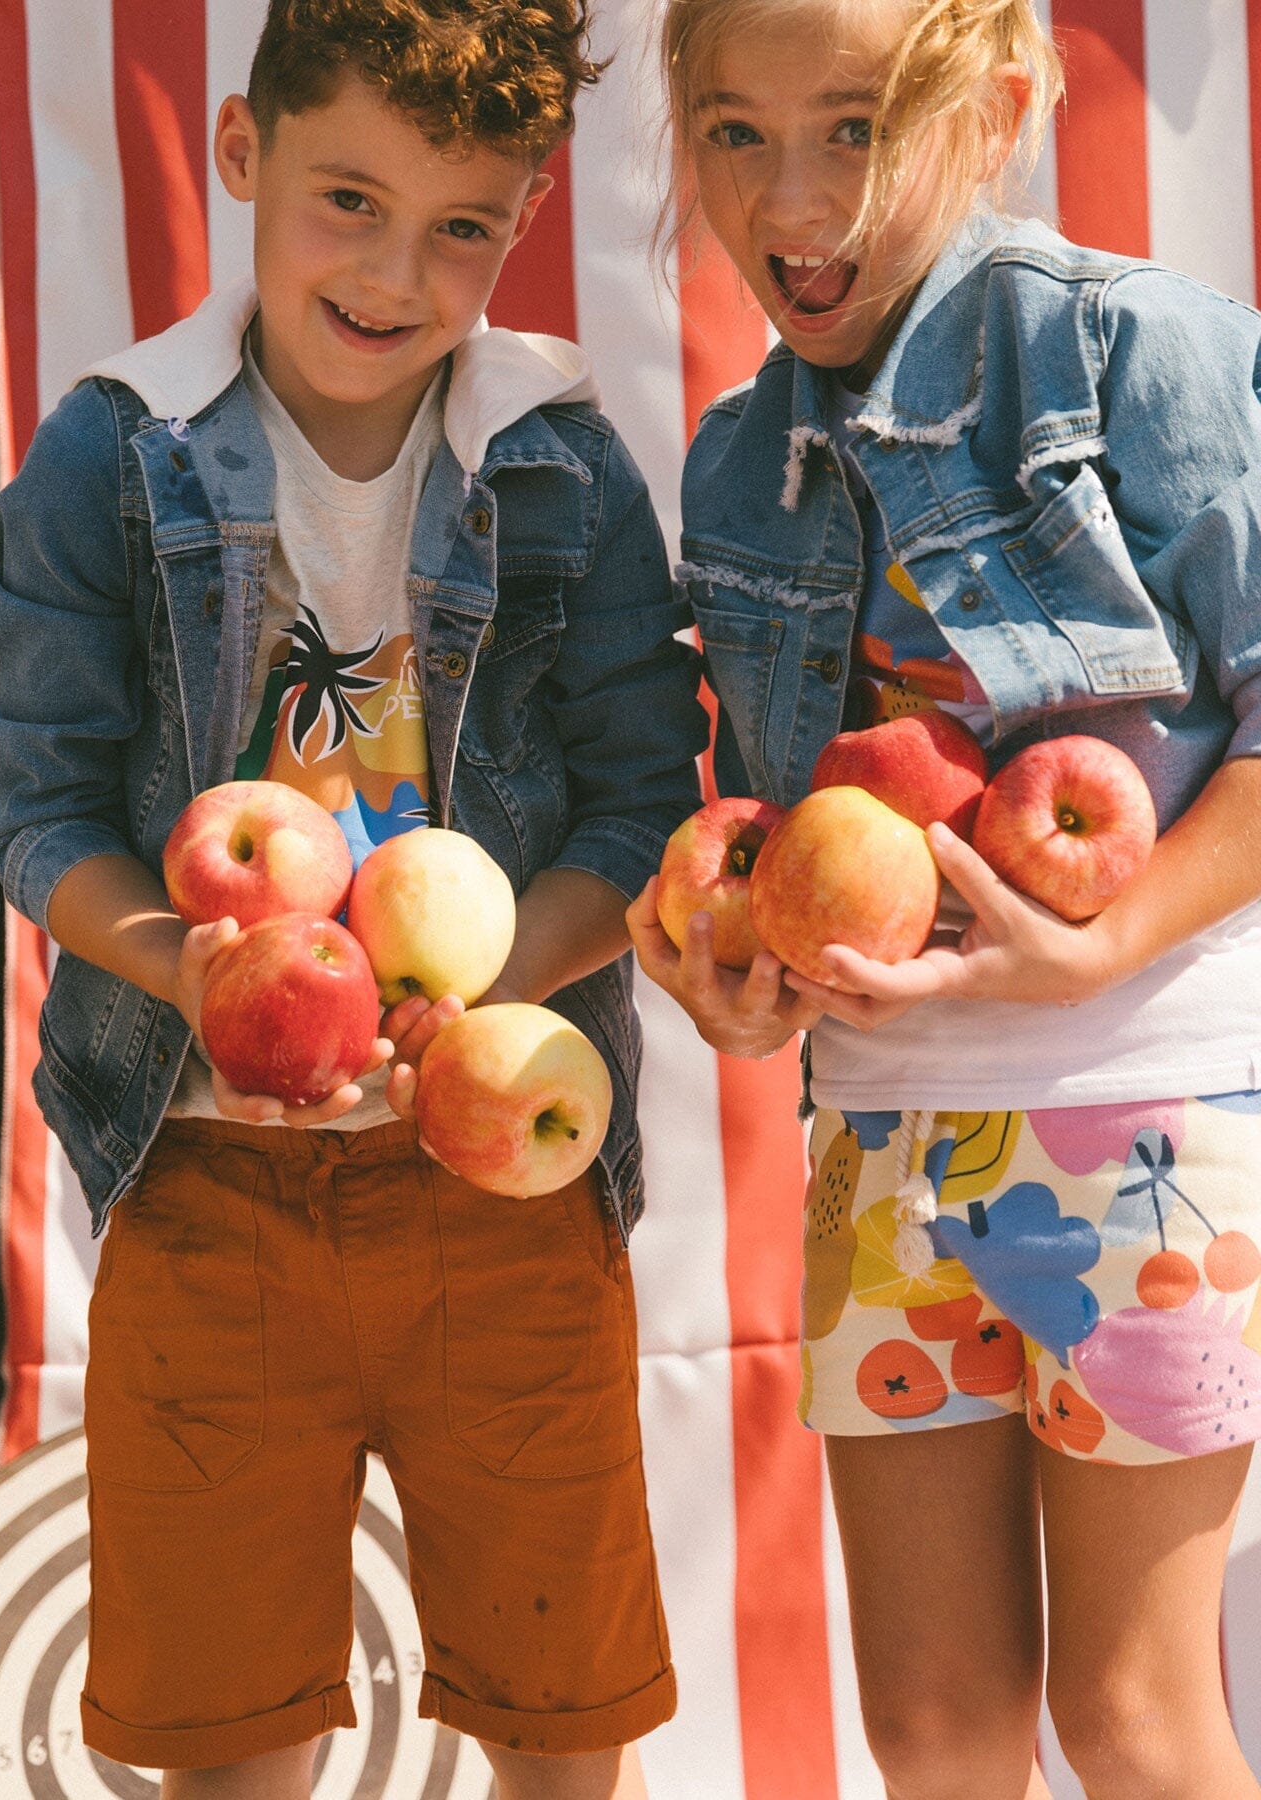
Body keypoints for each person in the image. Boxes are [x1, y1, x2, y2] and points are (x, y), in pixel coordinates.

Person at [0, 1, 707, 1793]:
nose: (395, 270)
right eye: (347, 200)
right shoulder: (110, 453)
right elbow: (39, 807)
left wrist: (473, 1001)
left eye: (459, 224)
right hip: (210, 1187)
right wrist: (191, 965)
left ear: (523, 222)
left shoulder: (563, 464)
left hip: (507, 1198)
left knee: (560, 1716)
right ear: (241, 154)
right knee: (225, 1736)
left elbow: (633, 811)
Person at [629, 1, 1261, 1795]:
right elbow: (788, 820)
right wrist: (728, 964)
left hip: (1137, 1113)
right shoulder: (743, 454)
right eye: (734, 132)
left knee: (1131, 1721)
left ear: (987, 115)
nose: (790, 194)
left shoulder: (1135, 347)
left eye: (852, 127)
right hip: (885, 1139)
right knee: (930, 1730)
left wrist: (1109, 940)